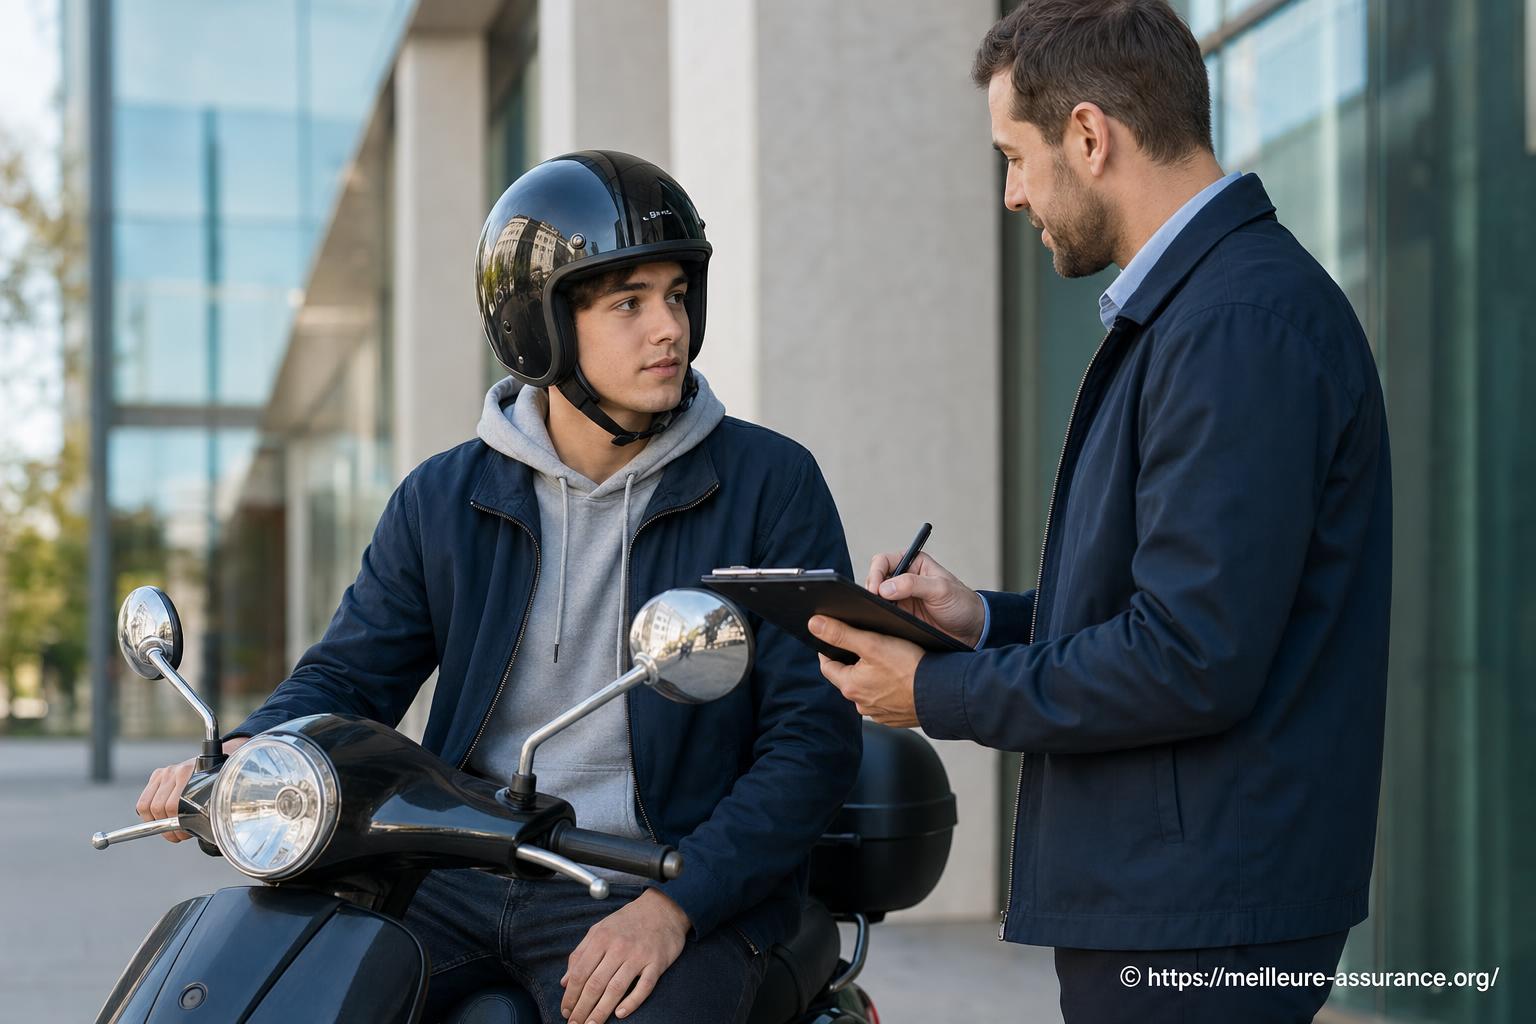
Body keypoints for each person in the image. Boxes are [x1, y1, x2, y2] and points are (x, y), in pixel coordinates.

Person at [137, 150, 862, 1024]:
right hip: (459, 868)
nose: (667, 328)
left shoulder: (769, 483)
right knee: (266, 992)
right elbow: (350, 676)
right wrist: (245, 753)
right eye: (628, 303)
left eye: (676, 294)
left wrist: (676, 909)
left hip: (658, 874)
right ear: (539, 327)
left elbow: (810, 739)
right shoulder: (446, 498)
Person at [809, 3, 1391, 1022]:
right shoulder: (1206, 311)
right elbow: (1168, 612)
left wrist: (937, 692)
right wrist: (979, 622)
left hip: (1207, 920)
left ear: (1089, 135)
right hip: (1188, 899)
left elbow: (1187, 657)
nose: (1010, 193)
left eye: (1016, 156)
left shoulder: (1234, 326)